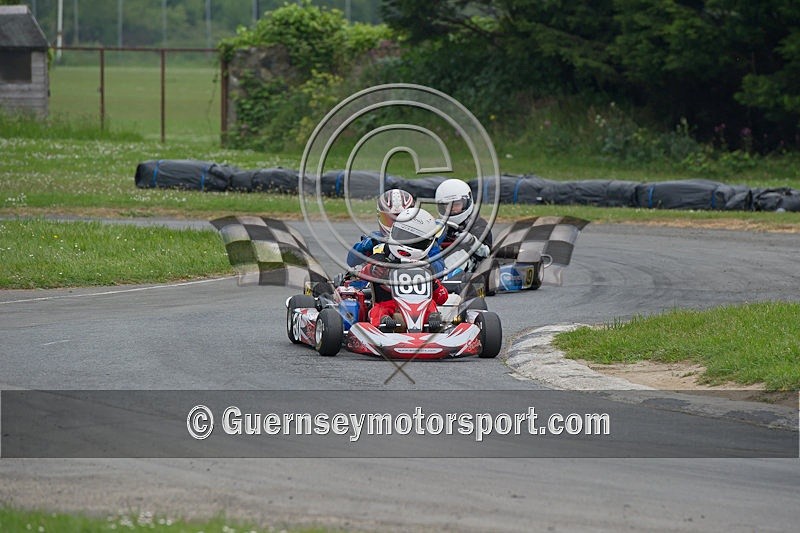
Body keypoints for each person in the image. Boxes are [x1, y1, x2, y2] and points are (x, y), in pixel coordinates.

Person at [360, 208, 449, 331]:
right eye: (404, 236)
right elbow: (363, 273)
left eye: (415, 240)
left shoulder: (427, 266)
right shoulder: (383, 256)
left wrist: (434, 285)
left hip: (420, 308)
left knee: (431, 305)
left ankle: (433, 322)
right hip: (389, 304)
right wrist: (374, 269)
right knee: (380, 309)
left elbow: (442, 298)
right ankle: (383, 324)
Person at [346, 188, 444, 273]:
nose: (395, 225)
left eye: (401, 219)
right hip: (380, 288)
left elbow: (439, 268)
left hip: (417, 284)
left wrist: (423, 260)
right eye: (391, 219)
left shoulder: (423, 241)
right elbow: (351, 261)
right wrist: (364, 247)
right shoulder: (375, 239)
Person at [434, 178, 493, 265]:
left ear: (467, 202)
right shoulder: (439, 224)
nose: (452, 209)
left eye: (456, 204)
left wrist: (471, 241)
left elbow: (486, 254)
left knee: (459, 255)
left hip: (468, 269)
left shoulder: (478, 226)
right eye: (448, 205)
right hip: (440, 261)